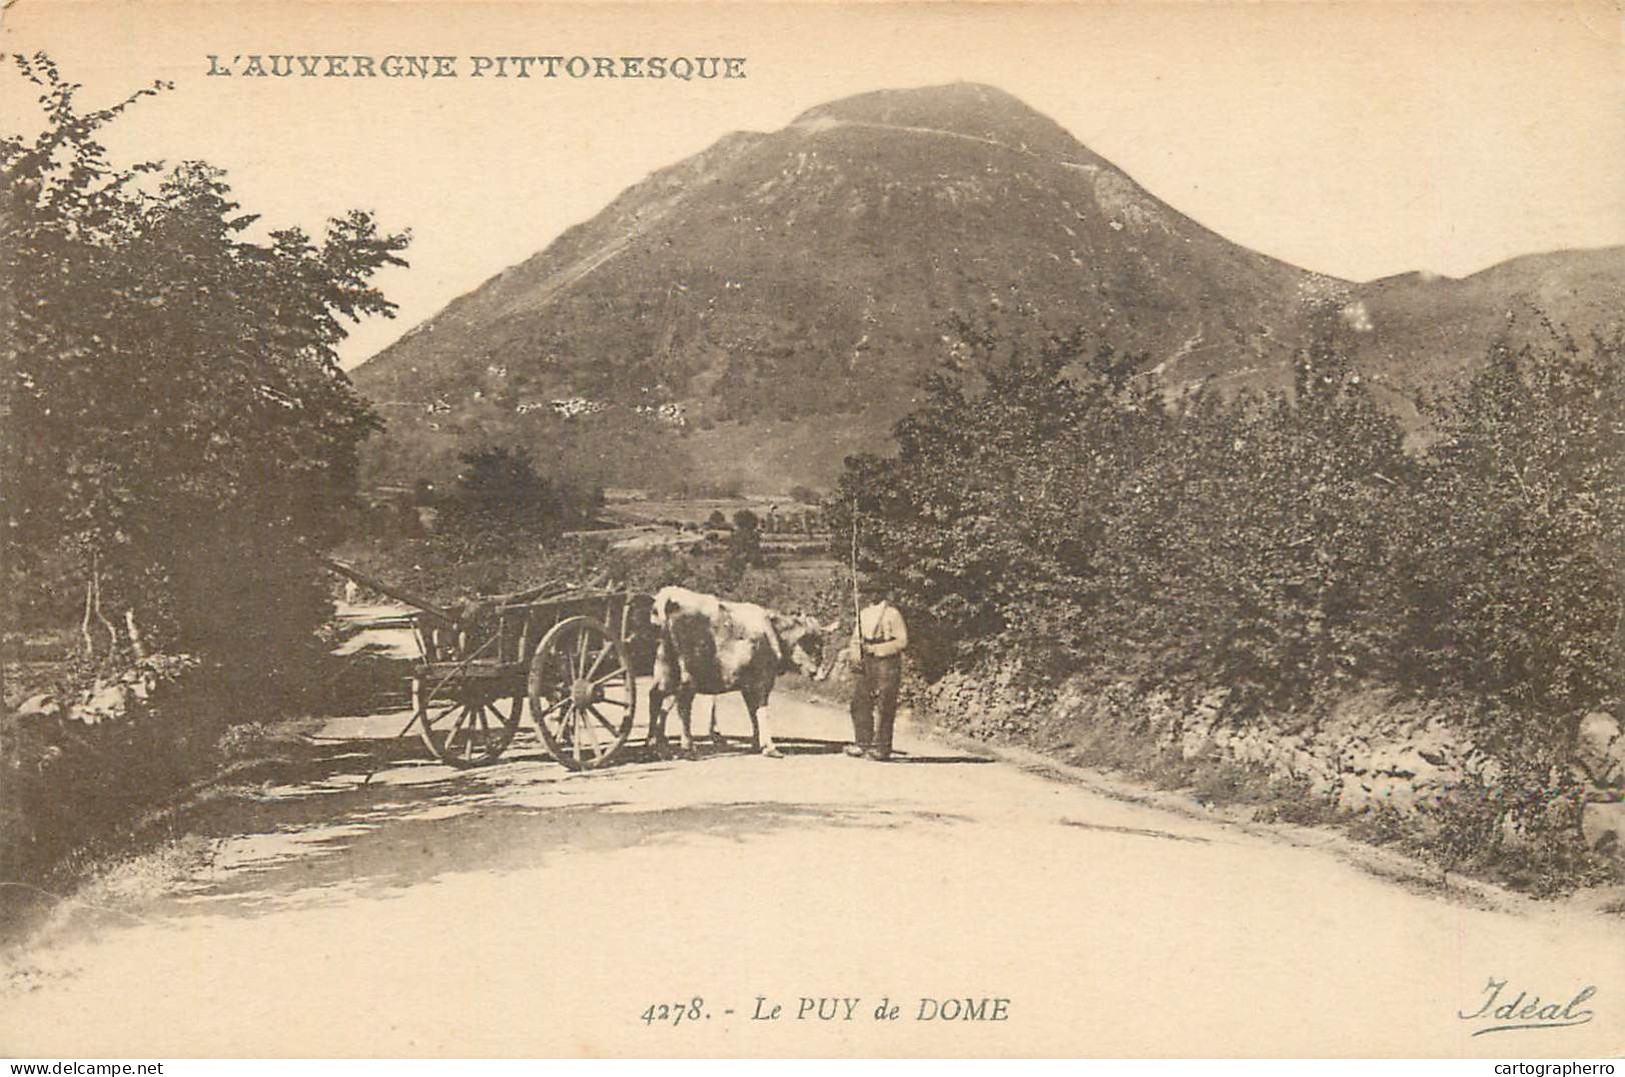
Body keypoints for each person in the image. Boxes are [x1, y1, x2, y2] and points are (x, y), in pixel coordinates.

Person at [843, 580, 909, 761]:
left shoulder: (892, 614)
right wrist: (855, 652)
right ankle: (862, 743)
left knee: (884, 704)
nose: (871, 596)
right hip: (866, 662)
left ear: (882, 593)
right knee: (859, 701)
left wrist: (878, 650)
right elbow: (856, 638)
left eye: (875, 592)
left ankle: (881, 748)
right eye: (868, 592)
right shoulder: (863, 614)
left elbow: (902, 641)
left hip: (886, 663)